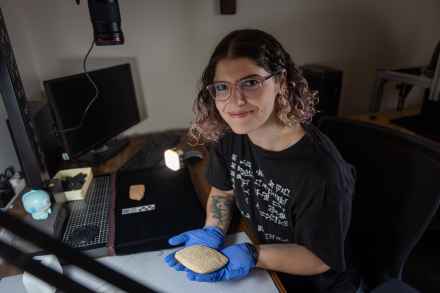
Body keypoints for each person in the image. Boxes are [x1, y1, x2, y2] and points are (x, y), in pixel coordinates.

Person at [164, 29, 359, 292]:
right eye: (222, 87)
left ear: (280, 81)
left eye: (251, 82)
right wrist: (213, 230)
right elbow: (222, 192)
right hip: (265, 269)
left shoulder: (320, 173)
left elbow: (321, 259)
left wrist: (254, 255)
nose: (236, 101)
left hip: (314, 284)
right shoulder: (231, 138)